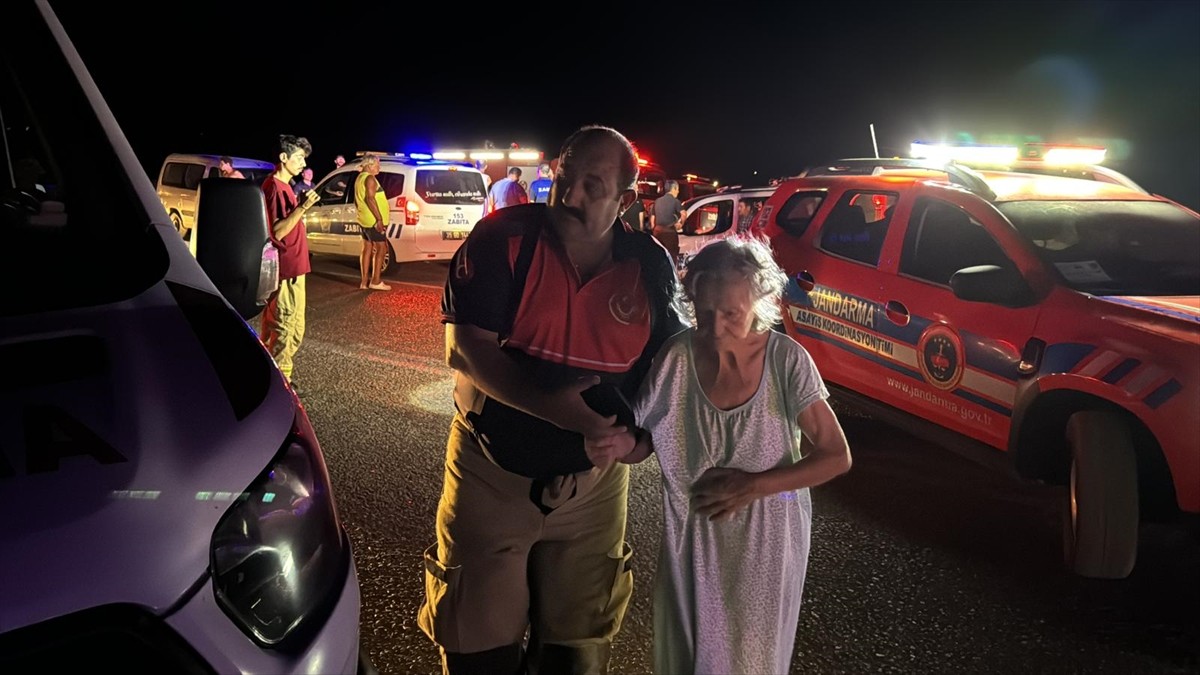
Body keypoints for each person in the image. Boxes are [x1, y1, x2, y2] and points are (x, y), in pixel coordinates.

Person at [418, 125, 684, 674]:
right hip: (490, 476)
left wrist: (642, 443)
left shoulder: (648, 266)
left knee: (577, 652)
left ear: (625, 201)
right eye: (565, 179)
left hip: (596, 490)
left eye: (593, 185)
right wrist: (556, 408)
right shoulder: (503, 239)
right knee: (477, 650)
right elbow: (465, 350)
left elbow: (672, 372)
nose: (571, 195)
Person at [612, 237, 853, 675]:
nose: (716, 327)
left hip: (768, 538)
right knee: (690, 654)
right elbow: (644, 441)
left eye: (731, 314)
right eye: (705, 313)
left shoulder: (786, 361)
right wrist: (616, 446)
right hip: (693, 537)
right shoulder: (676, 357)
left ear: (760, 303)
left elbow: (836, 456)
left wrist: (753, 485)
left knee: (751, 657)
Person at [260, 134, 319, 387]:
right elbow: (278, 231)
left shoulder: (285, 186)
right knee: (283, 327)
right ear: (283, 157)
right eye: (299, 158)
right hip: (285, 270)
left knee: (292, 328)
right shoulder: (274, 188)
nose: (303, 164)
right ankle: (280, 386)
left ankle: (274, 376)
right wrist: (302, 208)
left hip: (295, 268)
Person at [354, 153, 392, 291]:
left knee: (367, 248)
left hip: (364, 219)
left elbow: (357, 200)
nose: (379, 168)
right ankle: (375, 281)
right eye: (377, 165)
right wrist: (379, 219)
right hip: (373, 221)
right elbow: (370, 199)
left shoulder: (359, 178)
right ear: (369, 166)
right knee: (381, 248)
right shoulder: (370, 178)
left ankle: (364, 282)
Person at [651, 179, 684, 266]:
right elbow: (684, 214)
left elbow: (652, 219)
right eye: (677, 189)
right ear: (674, 189)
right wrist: (681, 224)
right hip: (669, 233)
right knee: (671, 258)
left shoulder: (657, 201)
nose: (678, 192)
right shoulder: (676, 201)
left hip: (657, 232)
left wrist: (654, 229)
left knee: (657, 256)